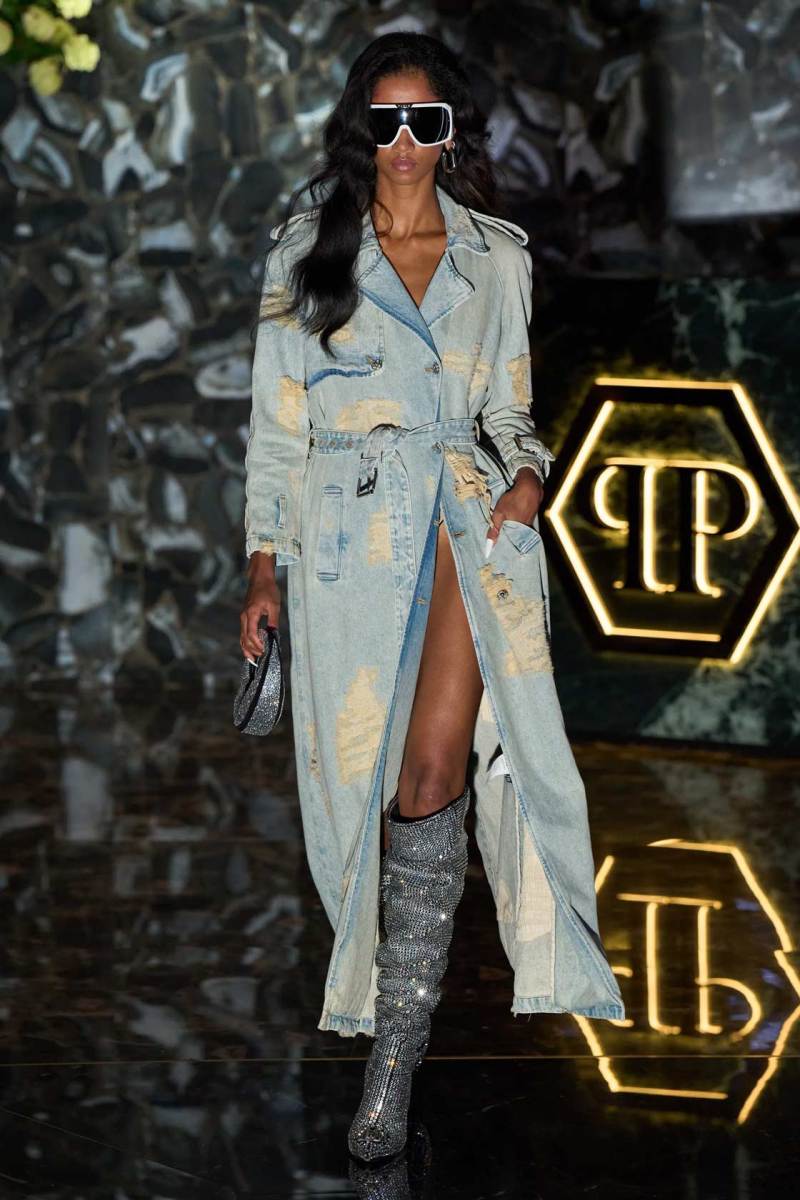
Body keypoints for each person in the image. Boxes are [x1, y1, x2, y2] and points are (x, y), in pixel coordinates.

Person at [241, 31, 624, 1166]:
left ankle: (393, 1063)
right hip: (349, 541)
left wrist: (526, 479)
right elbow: (277, 429)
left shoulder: (493, 258)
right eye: (386, 121)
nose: (405, 142)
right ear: (361, 129)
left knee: (431, 776)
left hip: (464, 525)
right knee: (358, 796)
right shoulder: (308, 250)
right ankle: (382, 1022)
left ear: (450, 133)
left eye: (426, 121)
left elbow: (510, 410)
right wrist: (261, 566)